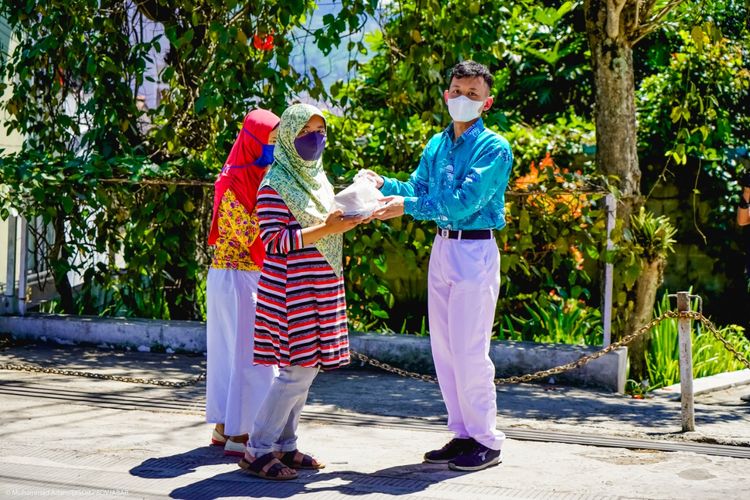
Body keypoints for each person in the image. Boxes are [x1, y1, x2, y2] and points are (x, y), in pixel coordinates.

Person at [363, 60, 512, 472]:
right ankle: (463, 433)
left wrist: (405, 205)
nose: (463, 100)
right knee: (445, 350)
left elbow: (464, 202)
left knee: (470, 349)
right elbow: (419, 189)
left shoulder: (495, 148)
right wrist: (384, 186)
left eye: (473, 94)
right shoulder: (437, 143)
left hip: (475, 251)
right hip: (444, 248)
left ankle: (487, 441)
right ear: (446, 94)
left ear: (487, 102)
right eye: (457, 92)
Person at [239, 103, 363, 480]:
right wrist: (327, 229)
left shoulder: (319, 180)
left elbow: (327, 225)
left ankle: (286, 446)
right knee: (297, 371)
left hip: (321, 286)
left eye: (321, 131)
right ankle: (257, 449)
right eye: (307, 132)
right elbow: (274, 242)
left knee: (305, 370)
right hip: (291, 289)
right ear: (289, 138)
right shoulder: (274, 184)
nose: (316, 139)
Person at [205, 109, 280, 457]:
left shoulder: (251, 176)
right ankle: (242, 433)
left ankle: (224, 428)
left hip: (237, 277)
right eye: (271, 141)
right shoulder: (236, 183)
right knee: (252, 357)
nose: (275, 149)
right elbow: (253, 236)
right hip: (238, 278)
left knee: (233, 357)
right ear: (252, 141)